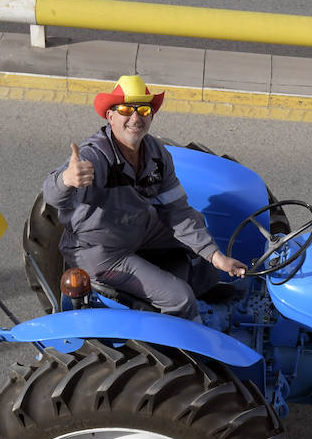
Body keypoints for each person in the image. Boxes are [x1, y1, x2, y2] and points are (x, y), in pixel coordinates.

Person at [42, 75, 246, 320]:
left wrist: (217, 257)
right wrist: (66, 179)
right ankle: (186, 349)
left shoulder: (157, 154)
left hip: (138, 228)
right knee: (178, 297)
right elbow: (52, 196)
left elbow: (177, 212)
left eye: (144, 109)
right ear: (110, 116)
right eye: (126, 109)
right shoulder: (94, 156)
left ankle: (204, 289)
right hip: (100, 250)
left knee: (198, 228)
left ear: (151, 115)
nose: (135, 118)